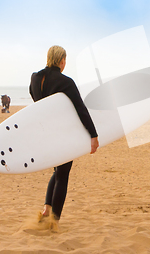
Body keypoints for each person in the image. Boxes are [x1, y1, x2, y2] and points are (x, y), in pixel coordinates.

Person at [29, 45, 99, 224]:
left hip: (45, 133)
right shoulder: (65, 82)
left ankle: (47, 209)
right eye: (65, 61)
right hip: (62, 133)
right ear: (62, 61)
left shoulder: (35, 79)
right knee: (63, 174)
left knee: (58, 170)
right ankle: (54, 221)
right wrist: (93, 134)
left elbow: (36, 101)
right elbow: (80, 108)